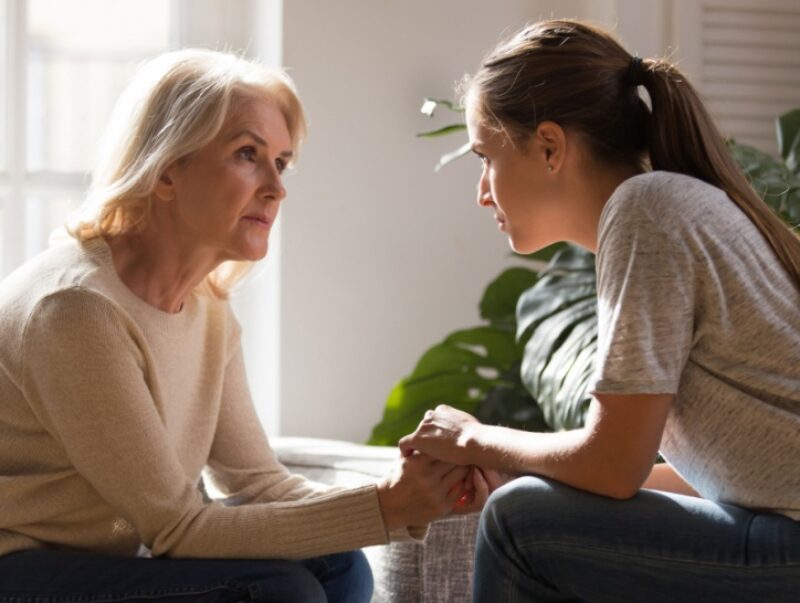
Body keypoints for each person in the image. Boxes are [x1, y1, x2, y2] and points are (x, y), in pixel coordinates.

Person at [0, 49, 489, 602]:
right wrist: (386, 505)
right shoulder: (74, 310)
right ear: (165, 170)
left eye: (280, 163)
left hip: (110, 557)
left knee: (336, 565)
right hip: (18, 566)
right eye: (247, 154)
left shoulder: (207, 308)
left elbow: (257, 484)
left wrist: (416, 492)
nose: (276, 188)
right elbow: (177, 528)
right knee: (280, 592)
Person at [399, 19, 800, 602]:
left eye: (485, 157)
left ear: (550, 147)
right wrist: (522, 469)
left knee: (519, 524)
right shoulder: (670, 206)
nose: (482, 191)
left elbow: (613, 466)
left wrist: (473, 440)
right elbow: (703, 479)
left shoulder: (648, 212)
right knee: (525, 505)